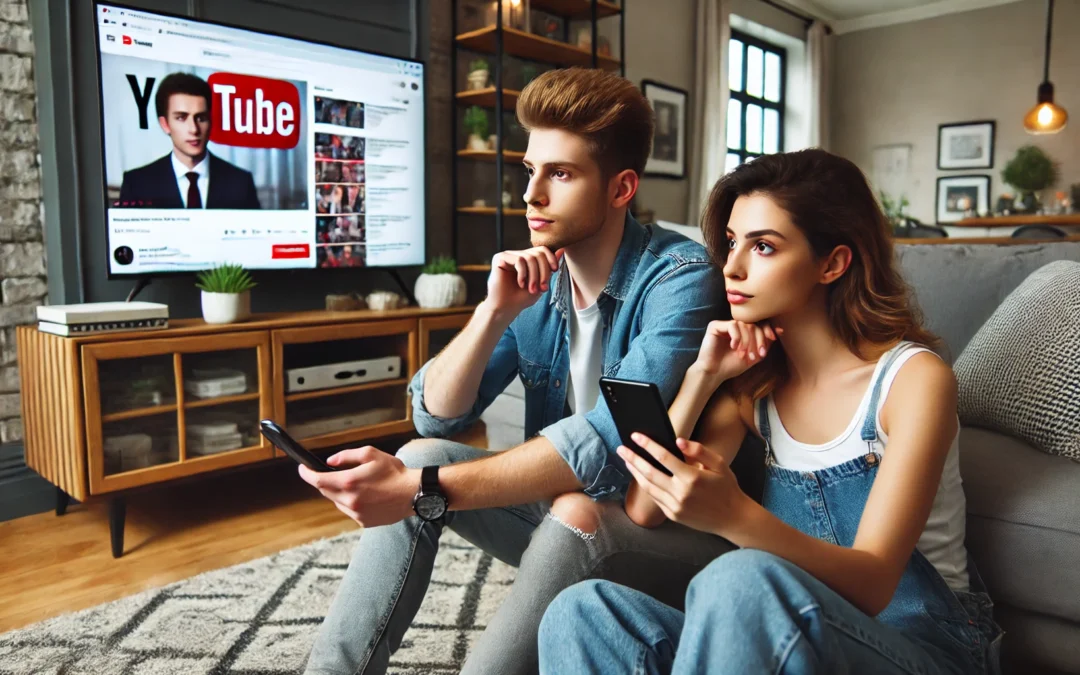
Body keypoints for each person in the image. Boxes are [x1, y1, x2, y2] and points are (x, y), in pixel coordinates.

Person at [299, 67, 736, 675]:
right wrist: (493, 312)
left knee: (566, 511)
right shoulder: (539, 283)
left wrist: (419, 491)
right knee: (424, 453)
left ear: (621, 188)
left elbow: (609, 442)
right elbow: (438, 412)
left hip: (669, 535)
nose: (530, 194)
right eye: (530, 170)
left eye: (560, 173)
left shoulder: (680, 278)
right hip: (561, 509)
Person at [538, 149, 1003, 675]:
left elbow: (874, 585)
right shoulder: (755, 388)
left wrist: (735, 514)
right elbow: (646, 507)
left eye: (763, 246)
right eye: (732, 242)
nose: (731, 267)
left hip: (921, 647)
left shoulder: (913, 381)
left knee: (736, 580)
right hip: (792, 639)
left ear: (832, 263)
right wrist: (704, 375)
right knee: (583, 613)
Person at [118, 72, 260, 209]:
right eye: (181, 118)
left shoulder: (241, 182)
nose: (194, 129)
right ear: (165, 124)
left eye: (201, 118)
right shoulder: (137, 183)